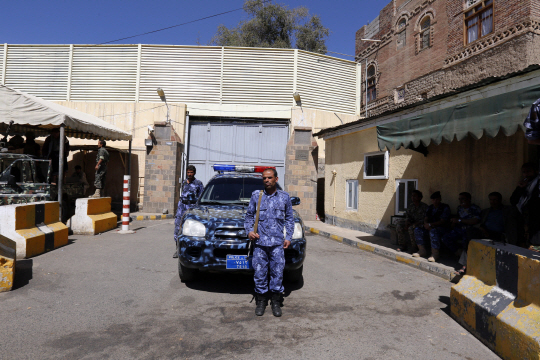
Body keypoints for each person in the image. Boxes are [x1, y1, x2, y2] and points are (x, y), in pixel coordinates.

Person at [244, 168, 294, 317]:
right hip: (260, 243)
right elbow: (248, 217)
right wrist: (249, 231)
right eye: (264, 178)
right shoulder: (256, 196)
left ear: (276, 179)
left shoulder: (284, 197)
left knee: (277, 273)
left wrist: (288, 237)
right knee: (259, 274)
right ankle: (261, 301)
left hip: (277, 244)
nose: (267, 180)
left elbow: (289, 219)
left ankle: (276, 301)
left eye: (270, 178)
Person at [439, 192, 481, 266]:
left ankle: (466, 262)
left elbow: (476, 220)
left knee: (466, 242)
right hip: (459, 229)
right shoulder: (460, 208)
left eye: (463, 199)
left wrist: (460, 220)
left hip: (469, 230)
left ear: (469, 199)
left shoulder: (475, 208)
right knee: (445, 238)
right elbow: (458, 218)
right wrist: (453, 222)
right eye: (459, 199)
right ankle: (459, 253)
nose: (461, 201)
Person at [173, 165, 204, 258]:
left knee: (190, 228)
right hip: (182, 206)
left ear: (194, 173)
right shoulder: (183, 182)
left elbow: (200, 197)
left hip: (191, 207)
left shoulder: (198, 183)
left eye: (191, 172)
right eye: (188, 172)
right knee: (177, 228)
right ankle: (177, 250)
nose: (189, 174)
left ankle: (191, 251)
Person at [413, 191, 451, 262]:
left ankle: (435, 254)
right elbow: (426, 218)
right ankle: (422, 250)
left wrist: (431, 225)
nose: (435, 201)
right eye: (433, 200)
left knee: (433, 231)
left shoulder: (445, 207)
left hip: (442, 228)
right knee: (417, 229)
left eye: (437, 199)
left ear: (440, 199)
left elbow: (443, 221)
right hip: (431, 227)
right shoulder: (430, 207)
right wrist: (426, 224)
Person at [510, 162, 540, 249]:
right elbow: (513, 200)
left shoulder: (537, 183)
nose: (526, 174)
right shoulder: (524, 184)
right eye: (524, 172)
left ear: (536, 171)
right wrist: (520, 188)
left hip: (535, 219)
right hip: (523, 217)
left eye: (528, 171)